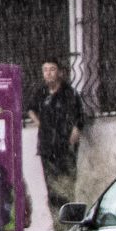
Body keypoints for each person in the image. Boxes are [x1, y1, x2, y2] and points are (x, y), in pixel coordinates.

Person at [25, 59, 90, 217]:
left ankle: (69, 222)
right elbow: (30, 109)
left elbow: (80, 117)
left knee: (67, 185)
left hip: (65, 147)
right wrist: (39, 122)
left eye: (52, 69)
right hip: (47, 148)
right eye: (45, 69)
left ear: (60, 72)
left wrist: (74, 134)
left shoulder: (69, 93)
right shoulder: (41, 92)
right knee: (51, 187)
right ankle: (57, 223)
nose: (48, 73)